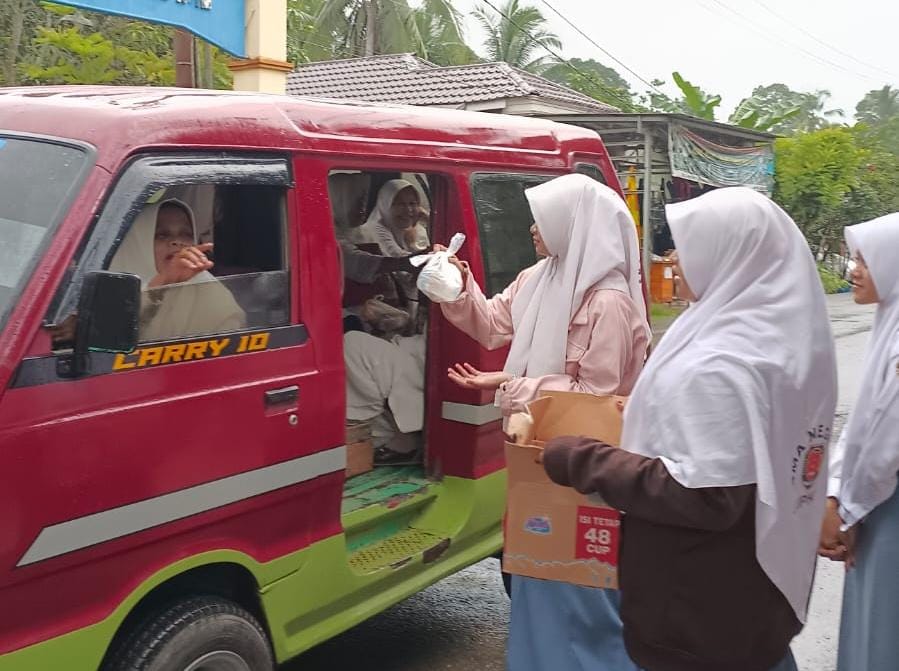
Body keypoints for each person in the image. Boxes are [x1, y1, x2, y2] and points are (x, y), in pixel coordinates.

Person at [541, 188, 838, 671]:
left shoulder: (722, 361)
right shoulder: (775, 335)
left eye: (690, 243)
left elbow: (708, 494)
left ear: (732, 252)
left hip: (700, 612)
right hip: (755, 591)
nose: (675, 258)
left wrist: (580, 457)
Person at [440, 173, 649, 671]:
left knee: (583, 590)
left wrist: (512, 385)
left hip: (589, 469)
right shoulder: (540, 278)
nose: (533, 229)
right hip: (537, 458)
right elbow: (492, 324)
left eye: (544, 220)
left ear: (577, 227)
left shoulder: (609, 304)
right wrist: (454, 285)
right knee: (534, 578)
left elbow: (596, 399)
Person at [819, 213, 899, 671]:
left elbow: (883, 443)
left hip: (886, 506)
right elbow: (864, 424)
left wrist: (845, 510)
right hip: (878, 504)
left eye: (866, 259)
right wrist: (837, 497)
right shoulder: (889, 323)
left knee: (883, 631)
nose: (854, 269)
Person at [110, 198, 245, 342]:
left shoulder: (208, 289)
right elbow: (112, 340)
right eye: (162, 235)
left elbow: (233, 345)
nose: (177, 241)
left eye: (186, 234)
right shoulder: (112, 287)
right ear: (138, 243)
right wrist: (159, 286)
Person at [357, 178, 430, 257]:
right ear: (386, 205)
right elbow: (400, 260)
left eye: (412, 203)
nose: (408, 209)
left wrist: (429, 220)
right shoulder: (374, 229)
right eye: (400, 204)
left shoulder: (415, 228)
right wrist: (412, 245)